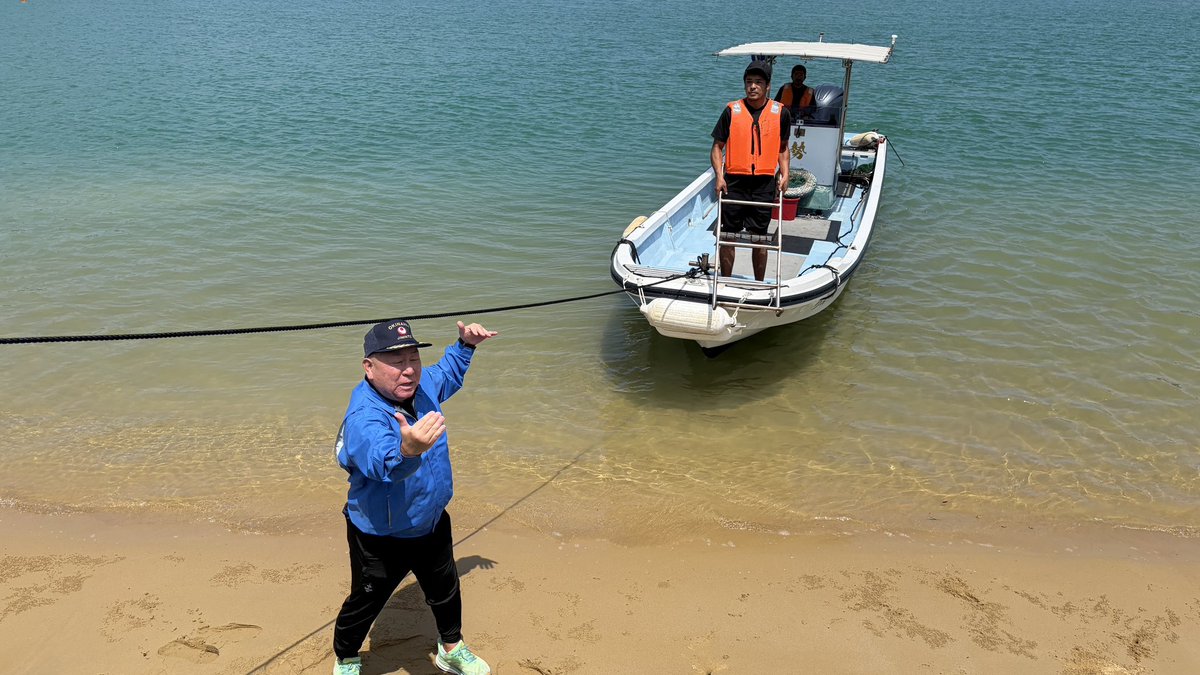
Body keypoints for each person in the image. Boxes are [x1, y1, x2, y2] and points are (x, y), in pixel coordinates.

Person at [332, 319, 499, 675]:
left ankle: (451, 648)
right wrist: (407, 451)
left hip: (430, 519)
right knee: (366, 600)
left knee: (445, 587)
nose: (408, 370)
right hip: (381, 533)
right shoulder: (364, 416)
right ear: (369, 367)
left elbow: (446, 373)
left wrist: (465, 346)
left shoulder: (421, 387)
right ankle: (346, 657)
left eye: (413, 358)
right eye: (396, 362)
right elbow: (379, 461)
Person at [711, 60, 792, 281]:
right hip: (734, 182)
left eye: (758, 82)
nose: (753, 86)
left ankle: (759, 282)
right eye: (749, 82)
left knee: (760, 238)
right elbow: (717, 147)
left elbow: (783, 148)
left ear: (768, 86)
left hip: (763, 184)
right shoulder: (731, 111)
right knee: (728, 236)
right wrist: (719, 176)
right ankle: (725, 281)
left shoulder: (781, 113)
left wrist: (785, 173)